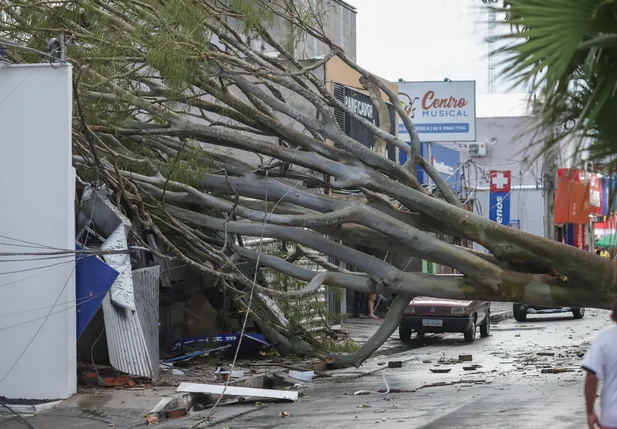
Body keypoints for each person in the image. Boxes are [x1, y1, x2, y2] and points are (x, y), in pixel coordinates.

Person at [583, 299, 617, 429]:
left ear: (612, 317)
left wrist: (590, 412)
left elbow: (592, 377)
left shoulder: (604, 338)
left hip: (612, 417)